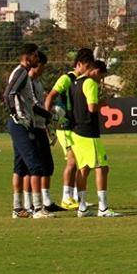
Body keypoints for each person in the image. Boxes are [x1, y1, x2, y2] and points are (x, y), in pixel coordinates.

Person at [3, 43, 54, 219]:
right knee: (35, 165)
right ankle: (38, 209)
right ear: (28, 57)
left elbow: (31, 104)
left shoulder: (25, 75)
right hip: (20, 125)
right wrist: (15, 114)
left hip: (21, 123)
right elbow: (9, 94)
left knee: (20, 167)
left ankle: (18, 209)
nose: (37, 59)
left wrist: (48, 116)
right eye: (35, 56)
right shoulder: (22, 72)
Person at [69, 59, 122, 217]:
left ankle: (82, 207)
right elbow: (92, 107)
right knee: (102, 168)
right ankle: (103, 208)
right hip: (88, 132)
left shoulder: (75, 83)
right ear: (96, 71)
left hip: (76, 131)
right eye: (101, 76)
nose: (100, 80)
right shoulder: (90, 83)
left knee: (83, 168)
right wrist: (103, 103)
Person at [45, 47, 95, 210]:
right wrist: (48, 118)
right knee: (72, 161)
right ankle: (66, 197)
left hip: (73, 126)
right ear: (79, 64)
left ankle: (75, 197)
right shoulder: (67, 78)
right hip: (64, 126)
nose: (88, 71)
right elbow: (51, 95)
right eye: (87, 67)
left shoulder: (82, 81)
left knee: (78, 161)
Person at [28, 52, 62, 212]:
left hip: (41, 126)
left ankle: (47, 201)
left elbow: (41, 101)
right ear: (38, 64)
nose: (44, 70)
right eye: (43, 67)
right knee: (34, 166)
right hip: (32, 126)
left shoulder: (38, 82)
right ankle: (32, 204)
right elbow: (33, 105)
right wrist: (50, 114)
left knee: (47, 165)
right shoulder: (27, 81)